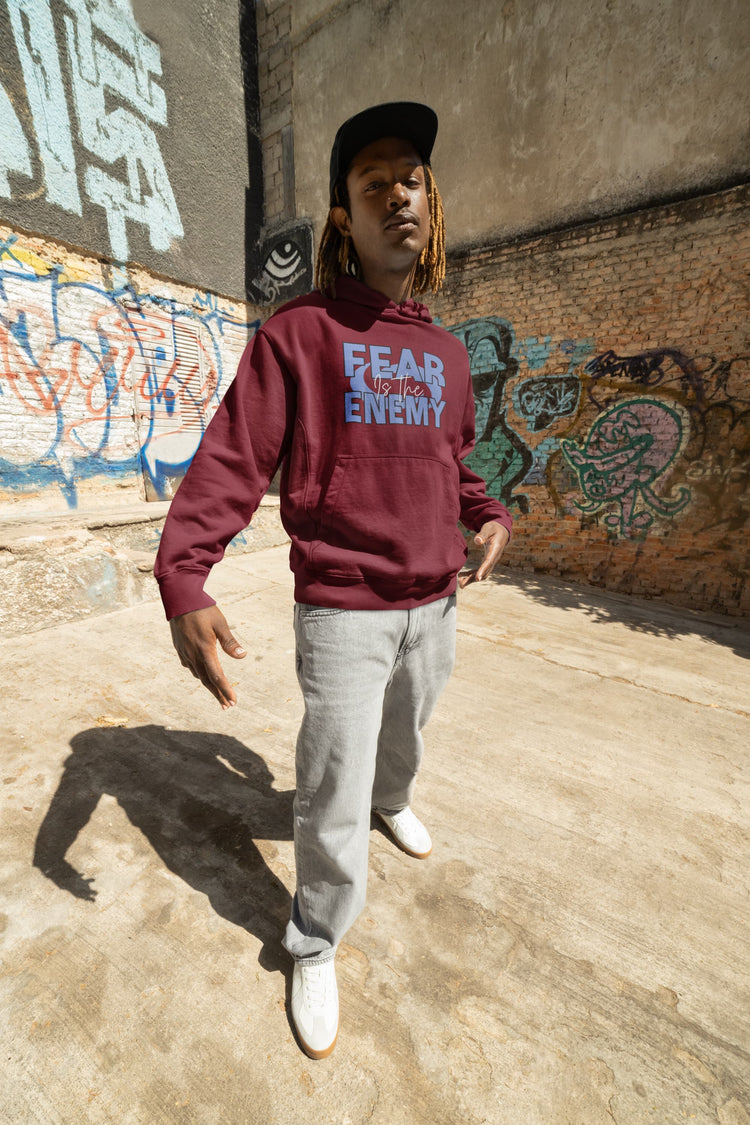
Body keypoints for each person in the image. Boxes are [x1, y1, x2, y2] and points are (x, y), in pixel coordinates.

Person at [154, 102, 512, 1060]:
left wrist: (489, 515)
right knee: (329, 783)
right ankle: (315, 937)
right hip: (347, 609)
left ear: (429, 207)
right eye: (373, 184)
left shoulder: (446, 353)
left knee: (404, 742)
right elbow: (233, 458)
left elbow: (460, 463)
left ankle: (393, 804)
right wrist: (184, 574)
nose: (397, 194)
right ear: (343, 221)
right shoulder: (300, 333)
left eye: (412, 181)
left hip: (435, 600)